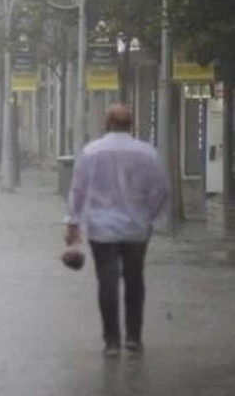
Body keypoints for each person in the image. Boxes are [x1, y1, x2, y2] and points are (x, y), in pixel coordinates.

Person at [66, 103, 169, 358]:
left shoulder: (91, 152)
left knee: (107, 283)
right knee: (135, 281)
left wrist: (72, 222)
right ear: (131, 125)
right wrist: (149, 216)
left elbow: (77, 190)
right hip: (136, 228)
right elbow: (162, 190)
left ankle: (112, 342)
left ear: (107, 123)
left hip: (101, 230)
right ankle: (133, 338)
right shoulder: (147, 153)